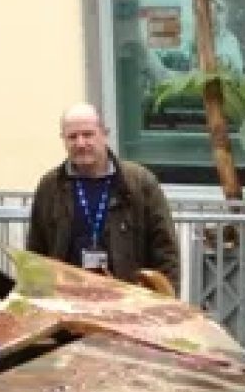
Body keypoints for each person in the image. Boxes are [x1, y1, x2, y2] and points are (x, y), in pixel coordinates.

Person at [27, 103, 180, 290]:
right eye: (72, 137)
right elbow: (36, 253)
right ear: (63, 139)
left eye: (88, 134)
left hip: (127, 298)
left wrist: (166, 298)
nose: (80, 143)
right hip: (68, 298)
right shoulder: (50, 187)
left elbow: (165, 250)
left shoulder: (140, 183)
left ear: (104, 134)